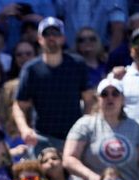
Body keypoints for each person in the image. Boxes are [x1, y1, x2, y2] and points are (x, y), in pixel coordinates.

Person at [63, 77, 139, 180]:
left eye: (115, 94)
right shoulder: (84, 124)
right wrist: (91, 177)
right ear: (98, 99)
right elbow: (68, 159)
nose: (110, 97)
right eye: (104, 94)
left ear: (123, 99)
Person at [12, 17, 93, 154]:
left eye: (55, 34)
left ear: (63, 38)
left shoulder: (77, 64)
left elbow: (89, 100)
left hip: (74, 138)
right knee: (37, 177)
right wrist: (24, 129)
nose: (51, 38)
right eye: (46, 34)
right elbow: (19, 105)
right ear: (39, 39)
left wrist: (84, 129)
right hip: (42, 138)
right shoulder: (31, 69)